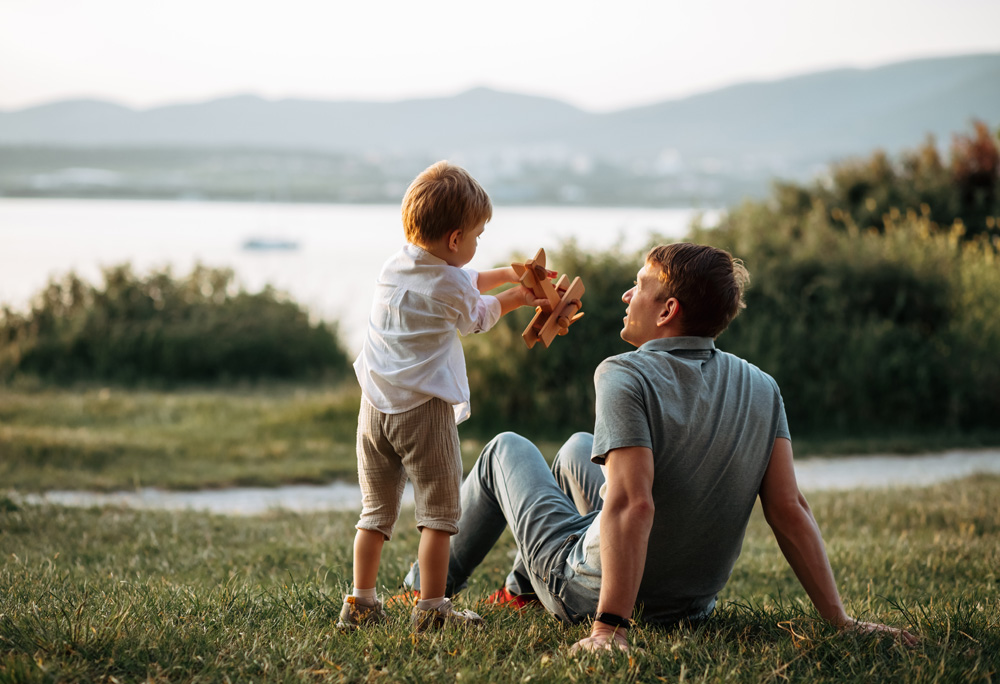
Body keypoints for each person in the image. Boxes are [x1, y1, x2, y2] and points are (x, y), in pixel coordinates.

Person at [401, 242, 917, 650]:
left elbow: (633, 503)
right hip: (689, 606)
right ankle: (521, 592)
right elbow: (789, 508)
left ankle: (420, 591)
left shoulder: (623, 373)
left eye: (639, 287)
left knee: (504, 449)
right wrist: (841, 621)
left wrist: (609, 628)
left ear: (668, 309)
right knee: (579, 448)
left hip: (589, 593)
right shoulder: (763, 386)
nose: (627, 296)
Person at [337, 161, 550, 633]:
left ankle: (361, 602)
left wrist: (509, 274)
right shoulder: (451, 283)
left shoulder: (396, 265)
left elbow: (461, 280)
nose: (476, 246)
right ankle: (432, 608)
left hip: (374, 408)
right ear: (455, 239)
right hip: (421, 411)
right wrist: (519, 297)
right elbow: (477, 316)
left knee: (375, 513)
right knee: (438, 515)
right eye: (476, 236)